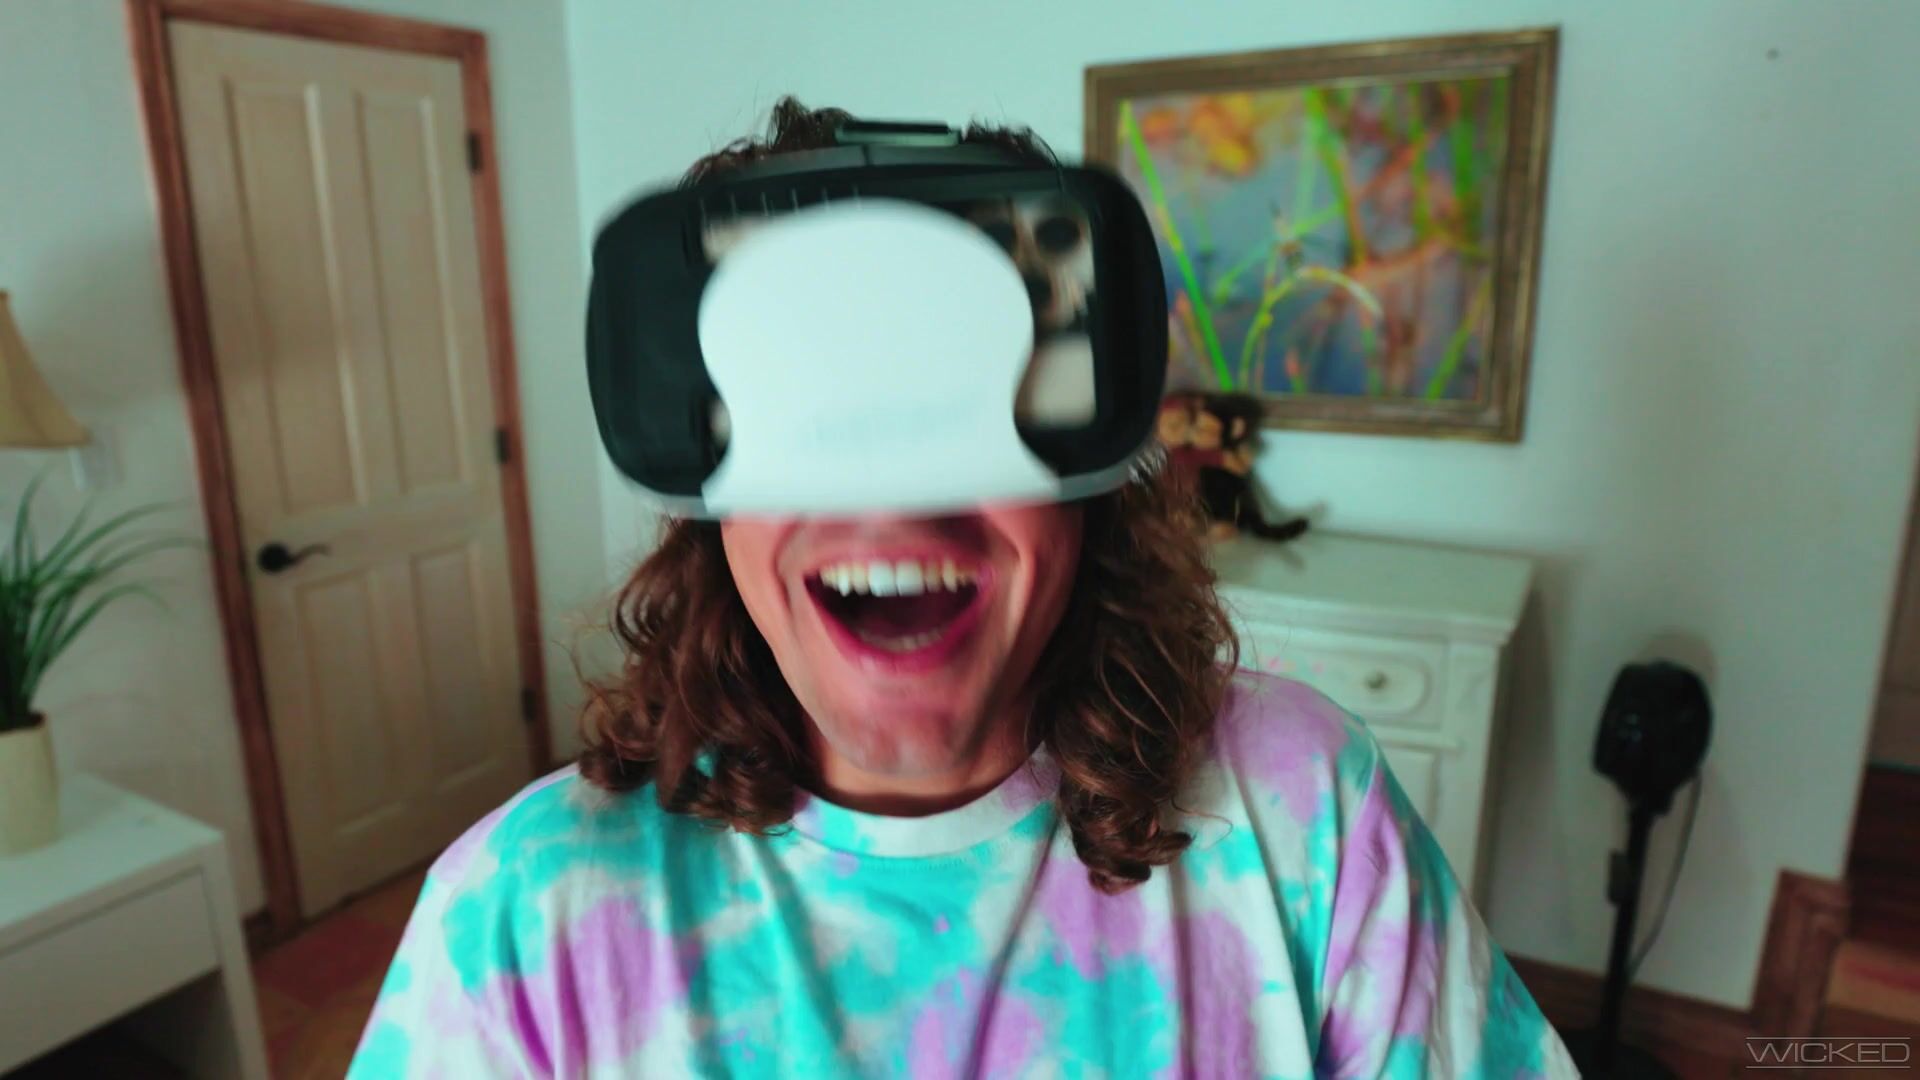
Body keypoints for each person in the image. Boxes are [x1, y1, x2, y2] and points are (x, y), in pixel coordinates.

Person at [349, 99, 1577, 1079]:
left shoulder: (1304, 816)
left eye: (966, 393)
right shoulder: (520, 920)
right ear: (707, 495)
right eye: (814, 407)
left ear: (1089, 482)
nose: (894, 499)